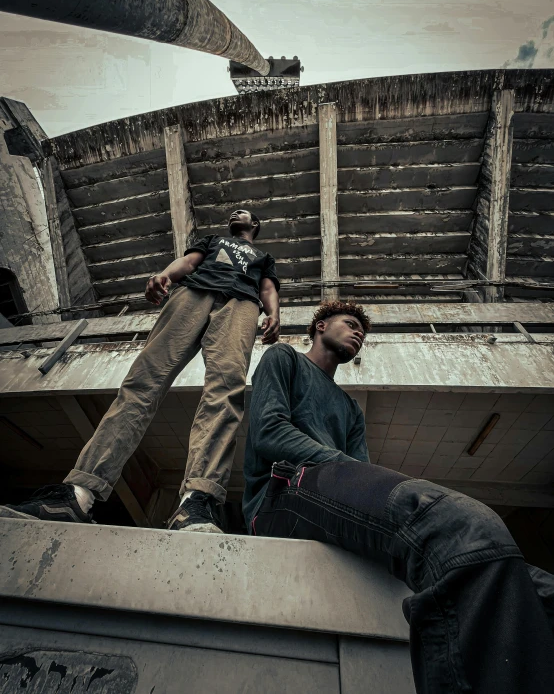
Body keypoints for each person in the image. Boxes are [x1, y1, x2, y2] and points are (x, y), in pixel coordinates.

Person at [243, 300, 554, 693]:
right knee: (464, 526)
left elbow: (361, 471)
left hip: (327, 488)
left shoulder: (350, 409)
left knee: (533, 583)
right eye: (350, 323)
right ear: (320, 326)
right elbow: (269, 432)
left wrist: (351, 474)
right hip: (280, 494)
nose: (358, 333)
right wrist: (340, 465)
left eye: (363, 331)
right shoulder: (282, 357)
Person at [3, 209, 280, 533]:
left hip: (242, 304)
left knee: (226, 390)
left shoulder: (263, 256)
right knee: (143, 380)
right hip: (194, 292)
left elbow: (268, 289)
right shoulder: (213, 240)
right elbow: (189, 262)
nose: (236, 213)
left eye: (244, 212)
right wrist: (165, 275)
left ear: (255, 225)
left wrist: (273, 313)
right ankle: (78, 494)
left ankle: (196, 502)